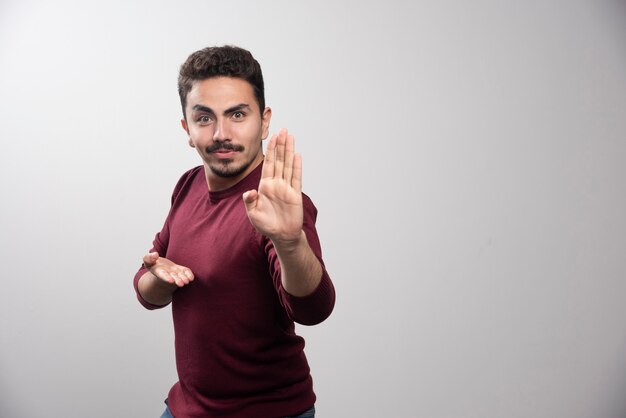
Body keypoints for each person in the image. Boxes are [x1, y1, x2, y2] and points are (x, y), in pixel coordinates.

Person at [133, 45, 336, 418]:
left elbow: (314, 308)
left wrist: (289, 241)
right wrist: (159, 278)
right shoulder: (188, 184)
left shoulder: (278, 203)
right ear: (187, 129)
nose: (221, 133)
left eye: (237, 114)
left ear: (264, 120)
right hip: (187, 406)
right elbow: (147, 288)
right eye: (205, 118)